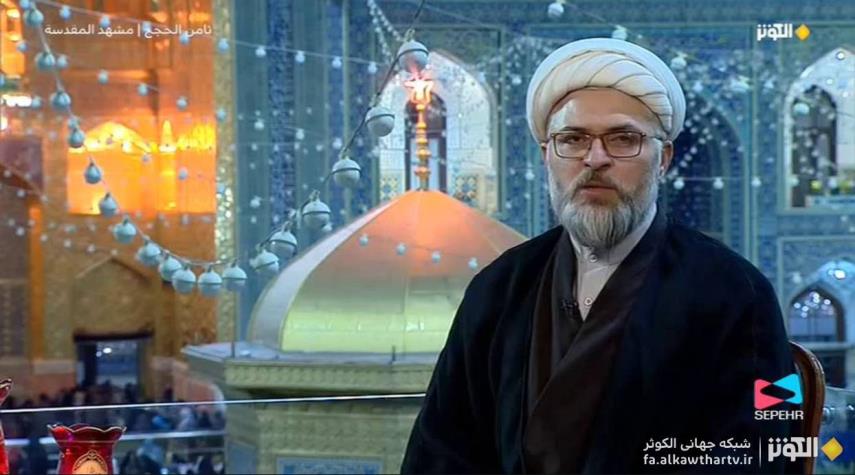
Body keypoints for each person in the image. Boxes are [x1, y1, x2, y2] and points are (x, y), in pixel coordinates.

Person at [401, 38, 797, 474]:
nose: (595, 158)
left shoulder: (736, 291)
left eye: (623, 139)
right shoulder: (500, 288)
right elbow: (440, 449)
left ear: (663, 158)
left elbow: (768, 445)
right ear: (546, 155)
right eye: (572, 139)